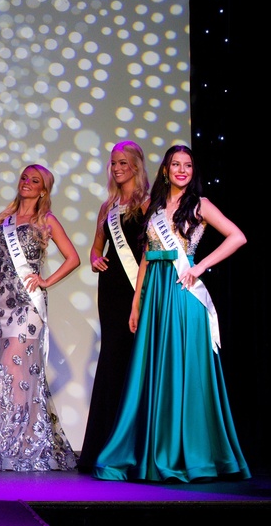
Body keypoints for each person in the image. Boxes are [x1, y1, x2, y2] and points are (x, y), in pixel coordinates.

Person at [94, 145, 250, 482]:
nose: (182, 170)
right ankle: (155, 449)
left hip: (182, 292)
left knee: (184, 369)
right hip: (155, 294)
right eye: (176, 164)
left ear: (193, 171)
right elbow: (147, 256)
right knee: (155, 371)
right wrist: (136, 303)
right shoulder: (155, 206)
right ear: (165, 170)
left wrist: (200, 266)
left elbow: (237, 237)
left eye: (188, 165)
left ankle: (188, 453)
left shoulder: (200, 205)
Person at [0, 164, 81, 471]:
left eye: (35, 180)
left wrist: (46, 281)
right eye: (25, 178)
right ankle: (19, 438)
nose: (27, 183)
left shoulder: (46, 220)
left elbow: (73, 258)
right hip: (3, 300)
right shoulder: (5, 219)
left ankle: (19, 442)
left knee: (13, 366)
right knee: (12, 370)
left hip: (29, 303)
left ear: (43, 190)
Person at [76, 141, 151, 473]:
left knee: (135, 359)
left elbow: (150, 249)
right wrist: (95, 259)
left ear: (135, 165)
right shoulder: (108, 206)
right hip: (111, 288)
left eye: (123, 162)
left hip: (138, 287)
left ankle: (134, 446)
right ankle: (103, 445)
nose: (117, 168)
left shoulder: (148, 204)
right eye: (114, 163)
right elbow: (97, 246)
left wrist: (140, 295)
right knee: (112, 359)